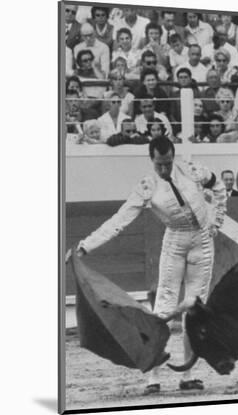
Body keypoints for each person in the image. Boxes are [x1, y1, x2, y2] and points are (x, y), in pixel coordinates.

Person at [70, 136, 227, 395]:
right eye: (158, 165)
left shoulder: (193, 170)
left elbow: (219, 186)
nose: (163, 169)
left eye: (167, 163)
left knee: (196, 311)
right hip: (174, 242)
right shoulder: (147, 186)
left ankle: (189, 375)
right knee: (163, 308)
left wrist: (217, 219)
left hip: (202, 242)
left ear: (172, 157)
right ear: (151, 160)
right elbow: (120, 220)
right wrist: (86, 245)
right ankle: (152, 377)